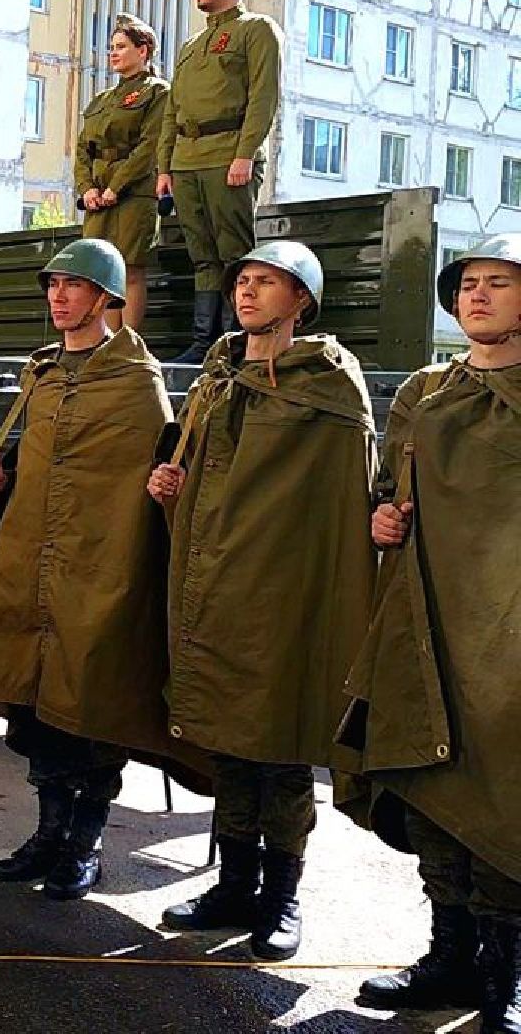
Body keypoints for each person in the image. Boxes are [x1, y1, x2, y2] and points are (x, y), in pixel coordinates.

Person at [146, 240, 374, 960]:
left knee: (280, 745)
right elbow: (198, 471)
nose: (247, 292)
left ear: (301, 299)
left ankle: (282, 897)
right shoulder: (216, 379)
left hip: (284, 594)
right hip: (215, 583)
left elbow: (343, 501)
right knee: (228, 740)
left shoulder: (329, 387)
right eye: (242, 280)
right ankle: (233, 885)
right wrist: (171, 487)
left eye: (267, 282)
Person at [0, 239, 180, 901]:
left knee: (93, 708)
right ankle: (48, 834)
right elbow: (40, 469)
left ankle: (86, 844)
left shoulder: (137, 382)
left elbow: (153, 479)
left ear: (104, 297)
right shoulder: (43, 375)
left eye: (73, 286)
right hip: (35, 566)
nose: (58, 297)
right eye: (52, 285)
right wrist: (1, 479)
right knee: (35, 706)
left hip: (100, 570)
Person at [336, 235, 521, 1031]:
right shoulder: (424, 391)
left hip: (508, 629)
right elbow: (389, 491)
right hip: (426, 615)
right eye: (468, 283)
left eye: (499, 283)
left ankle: (504, 984)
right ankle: (448, 960)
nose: (477, 295)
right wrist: (383, 518)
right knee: (432, 789)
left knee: (505, 801)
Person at [156, 0, 281, 363]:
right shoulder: (191, 46)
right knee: (202, 256)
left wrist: (245, 154)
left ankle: (234, 341)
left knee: (234, 254)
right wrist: (164, 167)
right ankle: (203, 342)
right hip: (187, 159)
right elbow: (172, 110)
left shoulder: (256, 30)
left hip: (228, 153)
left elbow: (263, 97)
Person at [76, 15, 169, 331]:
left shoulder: (157, 93)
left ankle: (126, 343)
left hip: (134, 193)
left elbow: (150, 145)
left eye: (121, 46)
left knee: (130, 270)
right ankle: (107, 343)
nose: (113, 53)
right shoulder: (102, 100)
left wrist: (116, 187)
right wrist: (87, 188)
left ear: (143, 50)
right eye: (111, 47)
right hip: (98, 196)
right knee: (101, 271)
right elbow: (82, 149)